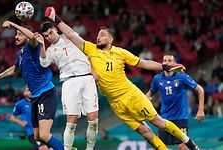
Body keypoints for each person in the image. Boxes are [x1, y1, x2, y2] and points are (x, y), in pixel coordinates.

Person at [44, 7, 200, 150]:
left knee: (158, 122)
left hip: (130, 95)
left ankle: (188, 141)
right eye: (98, 35)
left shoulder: (120, 53)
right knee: (144, 132)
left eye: (103, 35)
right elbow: (71, 34)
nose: (98, 37)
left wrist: (163, 66)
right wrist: (55, 19)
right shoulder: (91, 49)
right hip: (115, 103)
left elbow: (143, 63)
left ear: (110, 39)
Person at [0, 20, 63, 150]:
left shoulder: (32, 46)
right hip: (35, 97)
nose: (16, 37)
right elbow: (14, 69)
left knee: (44, 134)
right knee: (37, 136)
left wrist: (13, 24)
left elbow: (32, 37)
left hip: (46, 93)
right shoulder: (20, 54)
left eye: (19, 34)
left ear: (26, 36)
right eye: (16, 34)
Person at [34, 21, 99, 150]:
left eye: (50, 33)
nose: (49, 37)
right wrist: (42, 45)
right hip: (69, 82)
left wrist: (93, 69)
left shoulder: (71, 36)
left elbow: (87, 51)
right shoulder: (50, 50)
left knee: (93, 120)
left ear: (55, 29)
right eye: (46, 36)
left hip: (87, 78)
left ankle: (90, 149)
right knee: (71, 120)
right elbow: (43, 63)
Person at [146, 53, 205, 150]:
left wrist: (201, 109)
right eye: (165, 60)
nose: (167, 63)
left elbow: (200, 90)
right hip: (164, 118)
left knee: (183, 147)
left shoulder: (182, 77)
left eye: (170, 60)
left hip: (180, 117)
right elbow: (149, 95)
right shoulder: (157, 79)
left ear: (175, 64)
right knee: (161, 146)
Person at [10, 85, 49, 150]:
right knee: (43, 148)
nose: (30, 92)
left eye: (32, 90)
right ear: (24, 92)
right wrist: (21, 122)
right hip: (33, 133)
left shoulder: (40, 102)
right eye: (28, 90)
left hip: (44, 132)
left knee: (52, 148)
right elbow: (12, 117)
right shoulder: (20, 104)